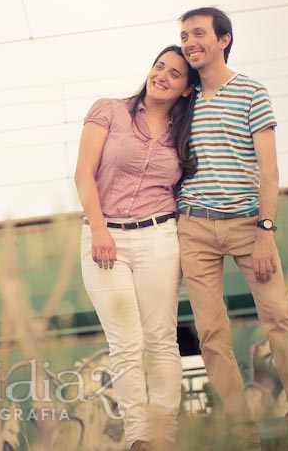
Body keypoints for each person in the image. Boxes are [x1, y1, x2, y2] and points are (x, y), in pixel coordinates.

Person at [176, 7, 288, 450]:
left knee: (279, 319)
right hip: (194, 228)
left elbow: (269, 171)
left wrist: (265, 231)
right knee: (213, 334)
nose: (188, 42)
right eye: (183, 36)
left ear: (224, 39)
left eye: (197, 33)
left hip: (246, 225)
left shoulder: (252, 93)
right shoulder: (184, 100)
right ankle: (243, 434)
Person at [74, 45, 199, 451]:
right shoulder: (109, 110)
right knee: (125, 343)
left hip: (158, 237)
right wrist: (99, 230)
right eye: (159, 66)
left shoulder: (186, 134)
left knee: (162, 338)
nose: (162, 75)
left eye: (175, 74)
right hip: (104, 236)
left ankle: (164, 435)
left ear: (185, 89)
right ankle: (139, 438)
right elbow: (83, 175)